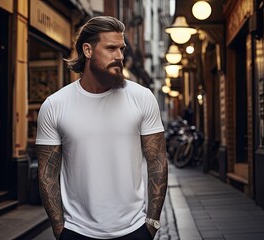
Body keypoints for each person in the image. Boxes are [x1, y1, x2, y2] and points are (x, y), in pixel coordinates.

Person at [36, 16, 168, 240]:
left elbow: (157, 162)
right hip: (77, 231)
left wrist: (151, 224)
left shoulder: (142, 97)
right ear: (88, 50)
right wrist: (60, 231)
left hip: (134, 230)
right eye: (111, 48)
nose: (119, 56)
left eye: (122, 49)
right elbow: (47, 173)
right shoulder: (55, 105)